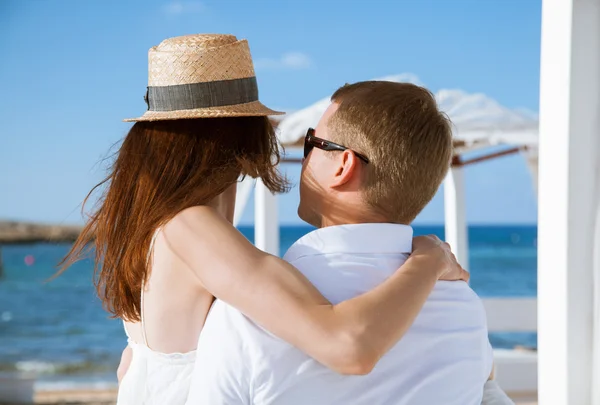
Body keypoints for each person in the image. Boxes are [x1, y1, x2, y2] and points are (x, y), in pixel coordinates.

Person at [59, 34, 467, 405]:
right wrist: (427, 259)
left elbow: (137, 362)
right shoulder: (191, 226)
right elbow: (349, 347)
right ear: (239, 129)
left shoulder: (168, 222)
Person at [185, 81, 512, 405]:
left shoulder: (248, 316)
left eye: (312, 141)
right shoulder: (464, 307)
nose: (304, 156)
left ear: (343, 166)